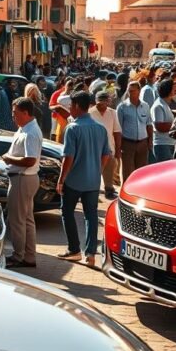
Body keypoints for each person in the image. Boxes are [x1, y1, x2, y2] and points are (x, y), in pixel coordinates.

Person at [57, 91, 111, 267]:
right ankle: (90, 254)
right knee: (91, 216)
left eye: (71, 106)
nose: (70, 109)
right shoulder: (100, 128)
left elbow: (68, 157)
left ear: (78, 106)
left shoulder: (72, 128)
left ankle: (73, 250)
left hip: (73, 180)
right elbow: (106, 155)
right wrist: (97, 170)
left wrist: (61, 179)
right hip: (93, 181)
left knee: (67, 212)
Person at [3, 97, 43, 269]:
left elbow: (30, 160)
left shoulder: (31, 132)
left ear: (26, 113)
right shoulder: (24, 128)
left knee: (17, 220)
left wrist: (8, 158)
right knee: (26, 220)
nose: (13, 117)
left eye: (15, 113)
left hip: (23, 178)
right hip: (22, 178)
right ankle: (28, 256)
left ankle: (19, 256)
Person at [116, 81, 152, 182]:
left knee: (141, 171)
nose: (130, 93)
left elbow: (149, 124)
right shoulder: (122, 107)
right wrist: (118, 147)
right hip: (128, 143)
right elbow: (118, 128)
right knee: (128, 171)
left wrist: (150, 142)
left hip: (143, 143)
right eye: (129, 91)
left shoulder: (145, 106)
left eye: (133, 91)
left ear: (139, 91)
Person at [89, 91, 122, 200]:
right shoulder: (90, 113)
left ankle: (109, 189)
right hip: (93, 149)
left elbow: (117, 132)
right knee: (94, 172)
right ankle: (92, 192)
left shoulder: (113, 113)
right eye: (100, 103)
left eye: (105, 102)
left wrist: (118, 150)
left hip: (109, 149)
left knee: (109, 172)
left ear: (108, 102)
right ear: (96, 102)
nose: (103, 105)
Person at [151, 79, 176, 163]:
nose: (175, 90)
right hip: (162, 144)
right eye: (173, 88)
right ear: (168, 90)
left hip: (169, 143)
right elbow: (160, 126)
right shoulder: (158, 106)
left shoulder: (165, 104)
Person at [49, 77, 70, 143]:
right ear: (63, 84)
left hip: (69, 119)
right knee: (55, 136)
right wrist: (58, 107)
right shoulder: (56, 93)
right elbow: (50, 106)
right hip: (57, 118)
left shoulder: (74, 93)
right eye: (69, 84)